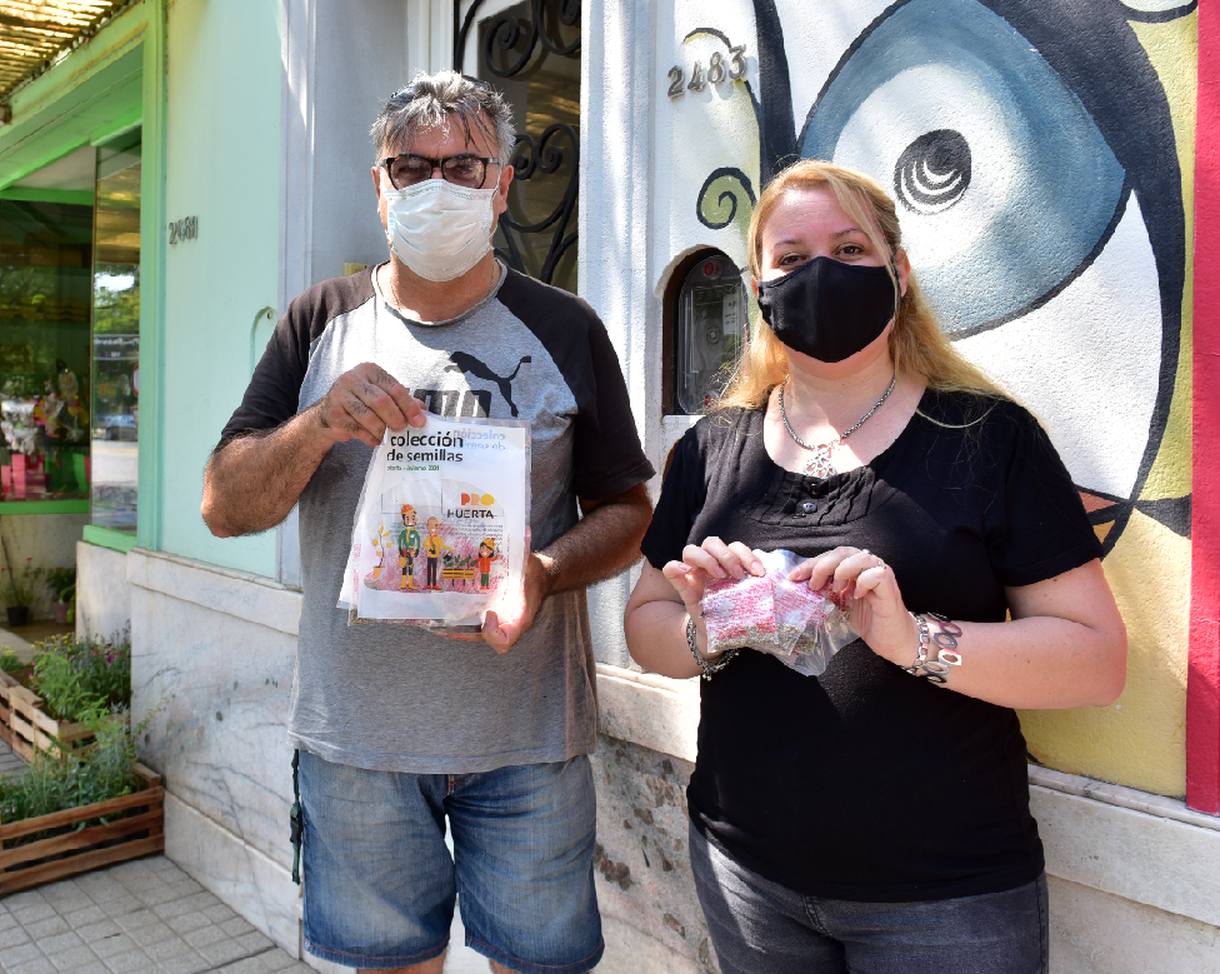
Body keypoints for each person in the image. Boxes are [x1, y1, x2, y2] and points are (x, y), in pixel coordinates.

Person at [202, 70, 654, 974]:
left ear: (503, 184)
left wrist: (546, 570)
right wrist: (320, 421)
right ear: (379, 186)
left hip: (527, 742)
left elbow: (629, 510)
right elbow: (223, 503)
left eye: (464, 165)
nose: (436, 186)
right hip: (359, 740)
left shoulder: (566, 328)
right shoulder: (319, 323)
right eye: (411, 167)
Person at [624, 160, 1126, 974]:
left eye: (851, 248)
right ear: (758, 287)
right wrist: (709, 622)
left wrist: (911, 638)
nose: (820, 271)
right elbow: (647, 628)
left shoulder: (990, 440)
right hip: (744, 873)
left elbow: (1096, 661)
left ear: (900, 275)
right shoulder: (710, 450)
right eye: (791, 257)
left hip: (946, 900)